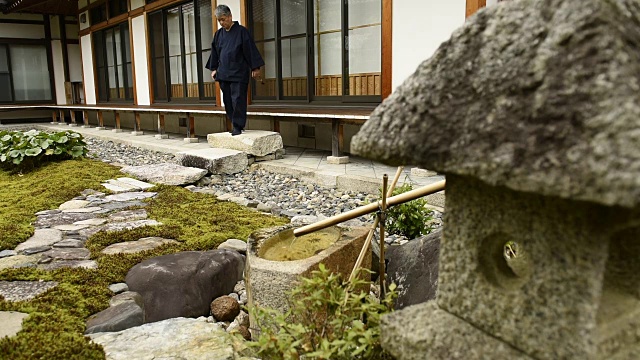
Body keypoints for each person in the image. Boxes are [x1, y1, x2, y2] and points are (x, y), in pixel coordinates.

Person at [205, 5, 265, 136]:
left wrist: (255, 67)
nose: (221, 23)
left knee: (238, 99)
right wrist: (214, 68)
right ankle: (234, 123)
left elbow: (250, 49)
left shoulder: (242, 32)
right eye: (219, 20)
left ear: (230, 16)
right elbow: (215, 52)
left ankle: (238, 126)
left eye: (223, 19)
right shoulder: (218, 34)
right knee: (227, 100)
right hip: (224, 73)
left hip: (239, 73)